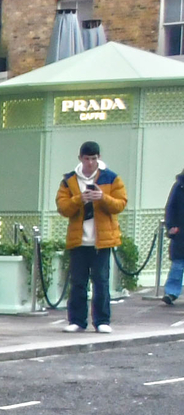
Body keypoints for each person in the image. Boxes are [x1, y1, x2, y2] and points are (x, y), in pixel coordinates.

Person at [55, 140, 127, 333]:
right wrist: (80, 199)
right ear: (80, 158)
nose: (90, 163)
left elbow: (120, 204)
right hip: (79, 240)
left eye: (94, 159)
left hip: (101, 240)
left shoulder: (111, 178)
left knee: (101, 281)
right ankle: (77, 321)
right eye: (87, 159)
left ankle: (102, 320)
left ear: (99, 158)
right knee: (78, 282)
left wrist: (102, 198)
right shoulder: (69, 180)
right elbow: (62, 207)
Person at [163, 164, 183, 307]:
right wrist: (170, 226)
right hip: (181, 233)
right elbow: (171, 207)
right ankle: (171, 293)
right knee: (178, 265)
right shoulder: (179, 187)